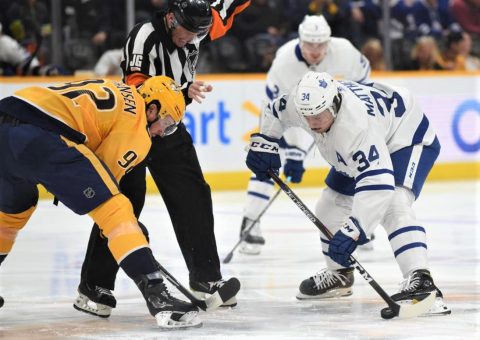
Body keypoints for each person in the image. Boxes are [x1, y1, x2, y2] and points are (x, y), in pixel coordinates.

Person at [74, 0, 250, 317]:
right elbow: (137, 87)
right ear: (170, 19)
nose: (191, 38)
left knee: (194, 196)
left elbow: (229, 9)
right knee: (124, 204)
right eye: (185, 33)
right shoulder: (144, 36)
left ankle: (206, 280)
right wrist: (182, 90)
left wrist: (180, 96)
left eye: (198, 33)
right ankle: (94, 286)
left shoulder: (197, 25)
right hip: (135, 124)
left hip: (168, 126)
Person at [0, 76, 215, 328]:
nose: (161, 133)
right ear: (152, 108)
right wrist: (130, 232)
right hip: (42, 136)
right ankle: (159, 298)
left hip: (6, 118)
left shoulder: (117, 90)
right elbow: (106, 186)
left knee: (11, 215)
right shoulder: (137, 126)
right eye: (166, 124)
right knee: (117, 210)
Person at [245, 70, 451, 315]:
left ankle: (422, 280)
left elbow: (379, 183)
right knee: (329, 207)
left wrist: (356, 230)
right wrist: (266, 141)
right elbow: (274, 111)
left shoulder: (355, 127)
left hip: (404, 135)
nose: (312, 123)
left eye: (318, 115)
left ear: (334, 104)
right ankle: (339, 275)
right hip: (366, 138)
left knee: (395, 203)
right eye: (307, 116)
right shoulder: (302, 103)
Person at [239, 14, 371, 255]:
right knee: (265, 160)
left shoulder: (344, 50)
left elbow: (364, 80)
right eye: (310, 44)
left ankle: (357, 225)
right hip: (280, 110)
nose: (315, 50)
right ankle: (250, 221)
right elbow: (280, 113)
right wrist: (293, 154)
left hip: (326, 109)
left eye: (321, 44)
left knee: (352, 159)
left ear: (328, 41)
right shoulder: (285, 63)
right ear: (300, 40)